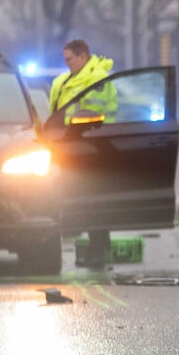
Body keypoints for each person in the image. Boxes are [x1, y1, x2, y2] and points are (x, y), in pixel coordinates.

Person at [50, 39, 118, 268]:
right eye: (65, 59)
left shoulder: (96, 79)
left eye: (69, 59)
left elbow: (92, 114)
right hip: (70, 148)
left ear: (82, 56)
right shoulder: (63, 81)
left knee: (93, 203)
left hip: (94, 148)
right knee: (85, 201)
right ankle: (99, 249)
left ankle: (98, 252)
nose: (66, 63)